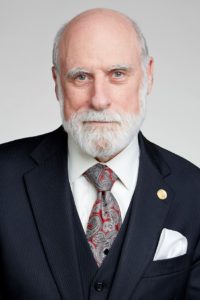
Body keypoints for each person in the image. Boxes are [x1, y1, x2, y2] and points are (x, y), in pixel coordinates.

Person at [0, 7, 200, 300]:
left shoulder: (193, 191)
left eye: (117, 74)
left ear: (148, 76)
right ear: (57, 83)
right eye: (81, 77)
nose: (99, 100)